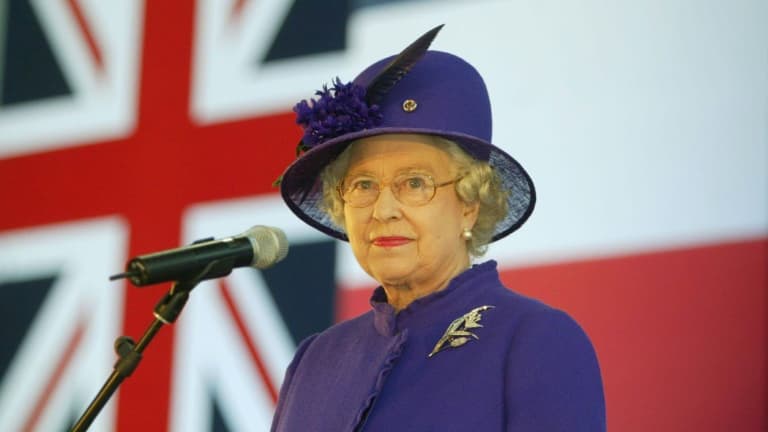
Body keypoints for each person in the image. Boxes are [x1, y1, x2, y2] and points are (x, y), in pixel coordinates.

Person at [272, 25, 605, 431]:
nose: (383, 209)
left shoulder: (535, 340)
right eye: (363, 185)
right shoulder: (317, 358)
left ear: (470, 203)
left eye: (414, 183)